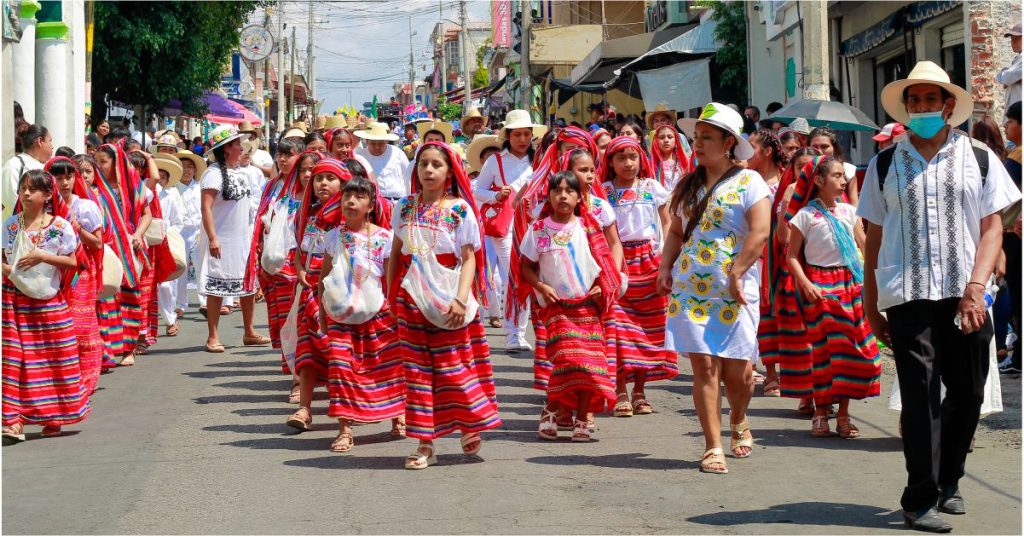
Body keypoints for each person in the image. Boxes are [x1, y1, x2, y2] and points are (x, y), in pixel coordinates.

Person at [859, 61, 1021, 532]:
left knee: (968, 393)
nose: (923, 107)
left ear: (949, 106)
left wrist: (977, 287)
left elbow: (993, 227)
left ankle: (949, 479)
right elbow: (874, 236)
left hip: (967, 295)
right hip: (909, 295)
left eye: (932, 99)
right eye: (915, 100)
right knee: (919, 395)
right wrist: (871, 304)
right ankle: (919, 498)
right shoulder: (885, 163)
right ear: (906, 108)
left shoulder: (979, 157)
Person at [659, 103, 768, 474]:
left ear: (728, 143)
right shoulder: (687, 185)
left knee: (740, 374)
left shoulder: (749, 182)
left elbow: (760, 232)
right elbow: (676, 232)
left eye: (707, 137)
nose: (698, 144)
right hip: (691, 289)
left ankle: (738, 416)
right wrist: (665, 267)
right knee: (704, 366)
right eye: (696, 137)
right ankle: (713, 446)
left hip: (735, 290)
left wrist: (737, 272)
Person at [387, 142, 500, 469]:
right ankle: (425, 443)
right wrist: (392, 297)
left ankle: (468, 422)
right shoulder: (404, 207)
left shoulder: (460, 209)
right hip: (411, 298)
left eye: (436, 164)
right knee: (417, 373)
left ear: (450, 171)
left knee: (453, 367)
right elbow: (395, 253)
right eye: (423, 163)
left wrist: (461, 298)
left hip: (449, 297)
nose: (428, 170)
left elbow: (469, 259)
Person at [785, 156, 882, 437]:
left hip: (851, 285)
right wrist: (806, 283)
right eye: (837, 176)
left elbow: (864, 246)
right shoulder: (805, 216)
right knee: (824, 352)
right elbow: (791, 256)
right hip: (820, 288)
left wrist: (879, 275)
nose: (843, 180)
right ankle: (821, 413)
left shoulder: (849, 212)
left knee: (854, 352)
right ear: (818, 181)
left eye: (843, 176)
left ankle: (843, 414)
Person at [521, 171, 621, 442]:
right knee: (566, 360)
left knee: (589, 365)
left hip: (588, 307)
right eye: (557, 191)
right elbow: (526, 267)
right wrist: (541, 287)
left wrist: (603, 286)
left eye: (569, 191)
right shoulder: (538, 230)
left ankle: (582, 419)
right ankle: (551, 409)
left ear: (579, 197)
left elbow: (605, 264)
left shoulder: (588, 228)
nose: (563, 196)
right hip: (558, 308)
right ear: (549, 197)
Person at [319, 177, 406, 452]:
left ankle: (398, 416)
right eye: (347, 196)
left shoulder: (384, 238)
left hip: (378, 314)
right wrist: (322, 314)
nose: (351, 201)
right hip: (340, 317)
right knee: (341, 368)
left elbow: (391, 279)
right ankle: (345, 430)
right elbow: (324, 278)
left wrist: (395, 312)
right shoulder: (333, 237)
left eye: (359, 197)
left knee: (386, 367)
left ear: (370, 205)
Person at [1, 170, 89, 442]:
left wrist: (42, 256)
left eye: (32, 189)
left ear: (48, 195)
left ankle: (53, 416)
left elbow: (74, 262)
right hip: (15, 303)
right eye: (23, 189)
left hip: (49, 305)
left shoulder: (60, 226)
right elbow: (4, 260)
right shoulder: (10, 225)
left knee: (54, 359)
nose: (26, 194)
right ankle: (13, 420)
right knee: (14, 360)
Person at [600, 136, 675, 417]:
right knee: (618, 329)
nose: (628, 163)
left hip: (649, 262)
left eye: (633, 157)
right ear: (610, 162)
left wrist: (665, 257)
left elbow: (667, 223)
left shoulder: (652, 187)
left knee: (649, 329)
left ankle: (640, 392)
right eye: (621, 158)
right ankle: (620, 390)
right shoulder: (603, 191)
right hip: (617, 262)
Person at [473, 109, 546, 352]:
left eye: (526, 134)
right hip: (506, 228)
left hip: (535, 227)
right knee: (513, 277)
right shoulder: (495, 161)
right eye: (517, 134)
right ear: (508, 136)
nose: (522, 139)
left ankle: (521, 333)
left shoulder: (539, 160)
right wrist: (496, 196)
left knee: (531, 278)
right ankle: (514, 334)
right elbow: (478, 191)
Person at [286, 159, 349, 432]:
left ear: (343, 183)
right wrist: (300, 269)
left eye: (330, 178)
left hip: (340, 295)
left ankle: (346, 409)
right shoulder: (306, 214)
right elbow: (299, 251)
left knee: (338, 351)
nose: (323, 183)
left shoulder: (350, 215)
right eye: (318, 178)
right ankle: (305, 408)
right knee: (308, 349)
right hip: (309, 291)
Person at [196, 126, 269, 353]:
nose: (241, 148)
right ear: (226, 149)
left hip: (242, 238)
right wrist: (213, 237)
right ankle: (213, 336)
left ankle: (249, 332)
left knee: (247, 286)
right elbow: (206, 208)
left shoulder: (240, 173)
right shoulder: (213, 174)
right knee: (216, 286)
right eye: (237, 144)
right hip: (221, 239)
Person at [46, 157, 105, 397]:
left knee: (80, 325)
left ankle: (87, 377)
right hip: (53, 271)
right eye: (58, 178)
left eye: (69, 177)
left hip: (81, 270)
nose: (64, 183)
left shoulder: (85, 207)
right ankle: (65, 378)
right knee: (60, 325)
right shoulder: (44, 208)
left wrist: (77, 227)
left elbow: (98, 243)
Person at [747, 129, 788, 397]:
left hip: (784, 256)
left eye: (752, 147)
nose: (746, 152)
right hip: (756, 257)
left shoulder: (786, 180)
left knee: (785, 313)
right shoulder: (745, 180)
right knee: (762, 315)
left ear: (767, 151)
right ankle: (770, 373)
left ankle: (792, 371)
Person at [1000, 101, 1022, 373]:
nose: (1006, 125)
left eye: (1011, 121)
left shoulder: (1017, 157)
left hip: (1013, 237)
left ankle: (1018, 359)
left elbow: (1000, 197)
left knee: (1018, 298)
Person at [153, 155, 185, 337]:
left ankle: (170, 319)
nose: (159, 180)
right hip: (144, 243)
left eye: (163, 178)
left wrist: (167, 233)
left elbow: (177, 221)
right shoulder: (141, 194)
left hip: (164, 242)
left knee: (165, 284)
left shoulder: (170, 196)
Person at [3, 125, 53, 222]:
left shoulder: (47, 166)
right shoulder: (14, 166)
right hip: (19, 227)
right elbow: (11, 202)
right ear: (39, 141)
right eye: (50, 141)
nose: (52, 146)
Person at [355, 122, 409, 203]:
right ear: (367, 141)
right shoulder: (359, 157)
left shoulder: (397, 153)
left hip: (400, 202)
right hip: (375, 203)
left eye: (381, 143)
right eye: (373, 143)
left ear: (386, 141)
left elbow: (408, 177)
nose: (377, 147)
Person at [808, 126, 859, 206]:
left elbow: (854, 205)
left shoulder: (848, 171)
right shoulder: (804, 171)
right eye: (814, 147)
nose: (819, 151)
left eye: (824, 146)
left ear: (834, 148)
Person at [651, 124, 693, 191]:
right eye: (661, 137)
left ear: (676, 140)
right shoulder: (652, 164)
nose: (666, 140)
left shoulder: (683, 161)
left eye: (670, 137)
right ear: (656, 141)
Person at [997, 23, 1021, 108]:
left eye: (1017, 38)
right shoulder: (1018, 58)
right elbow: (1002, 79)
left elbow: (1006, 79)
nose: (1013, 42)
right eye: (1012, 39)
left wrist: (1005, 72)